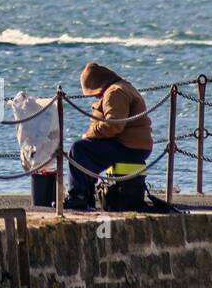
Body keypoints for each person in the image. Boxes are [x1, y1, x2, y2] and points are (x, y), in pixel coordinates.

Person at [64, 61, 153, 211]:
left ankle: (78, 196)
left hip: (128, 147)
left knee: (78, 149)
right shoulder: (123, 87)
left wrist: (89, 134)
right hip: (135, 145)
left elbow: (114, 125)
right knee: (87, 151)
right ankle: (86, 196)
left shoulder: (115, 92)